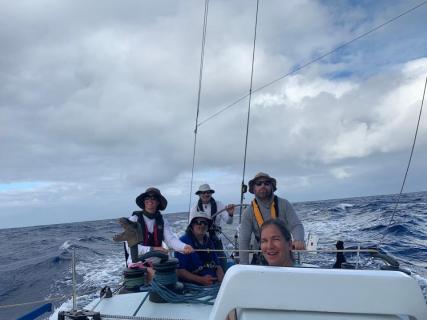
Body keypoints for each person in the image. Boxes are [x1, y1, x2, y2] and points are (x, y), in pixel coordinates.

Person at [116, 187, 193, 267]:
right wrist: (153, 249)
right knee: (154, 275)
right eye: (147, 197)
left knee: (172, 272)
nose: (150, 200)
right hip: (137, 262)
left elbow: (170, 240)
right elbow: (130, 248)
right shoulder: (134, 220)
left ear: (158, 202)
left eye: (154, 198)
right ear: (144, 201)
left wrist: (184, 247)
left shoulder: (162, 221)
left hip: (157, 260)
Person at [238, 172, 305, 265]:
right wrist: (244, 266)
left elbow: (296, 225)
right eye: (258, 184)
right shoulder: (248, 212)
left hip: (284, 255)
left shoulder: (284, 204)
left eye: (266, 183)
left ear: (272, 187)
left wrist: (299, 239)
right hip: (260, 256)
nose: (263, 186)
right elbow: (244, 240)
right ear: (253, 188)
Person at [191, 184, 234, 271]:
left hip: (215, 238)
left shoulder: (219, 204)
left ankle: (224, 277)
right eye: (203, 192)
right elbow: (190, 225)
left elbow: (229, 222)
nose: (206, 194)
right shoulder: (194, 208)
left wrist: (230, 214)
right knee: (203, 261)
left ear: (211, 193)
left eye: (208, 192)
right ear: (199, 194)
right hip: (201, 239)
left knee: (221, 259)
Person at [175, 212, 224, 286]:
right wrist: (201, 280)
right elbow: (179, 271)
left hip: (213, 283)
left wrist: (222, 278)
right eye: (198, 222)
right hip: (193, 286)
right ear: (192, 225)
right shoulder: (183, 242)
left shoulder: (209, 242)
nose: (202, 225)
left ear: (208, 227)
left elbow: (217, 265)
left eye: (205, 223)